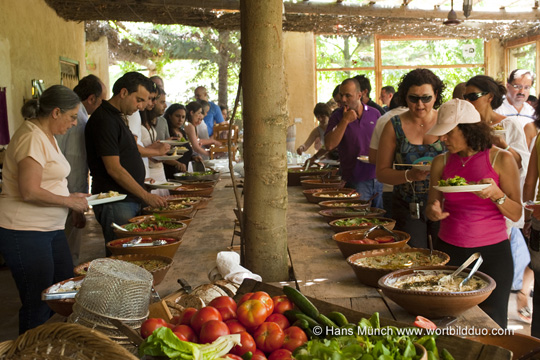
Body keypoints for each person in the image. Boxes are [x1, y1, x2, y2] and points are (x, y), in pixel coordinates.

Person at [0, 85, 89, 333]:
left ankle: (49, 343)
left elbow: (49, 181)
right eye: (72, 117)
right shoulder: (31, 137)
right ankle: (28, 350)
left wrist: (70, 197)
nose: (74, 123)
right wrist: (68, 201)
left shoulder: (46, 134)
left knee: (62, 292)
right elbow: (29, 190)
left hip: (48, 228)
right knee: (38, 301)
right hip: (24, 230)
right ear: (56, 112)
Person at [426, 99, 522, 328]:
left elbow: (517, 213)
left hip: (493, 255)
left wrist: (496, 195)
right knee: (448, 321)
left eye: (448, 133)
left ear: (468, 129)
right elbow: (432, 206)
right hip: (449, 251)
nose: (442, 139)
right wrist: (433, 211)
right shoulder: (441, 162)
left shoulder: (501, 158)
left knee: (493, 323)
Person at [464, 75, 532, 322]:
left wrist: (503, 146)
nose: (468, 101)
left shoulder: (510, 125)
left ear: (489, 97)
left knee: (493, 273)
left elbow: (522, 165)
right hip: (469, 209)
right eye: (465, 97)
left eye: (473, 96)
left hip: (500, 207)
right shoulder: (465, 128)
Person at [85, 72, 167, 247]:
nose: (141, 106)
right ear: (123, 93)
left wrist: (141, 181)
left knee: (133, 252)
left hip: (127, 199)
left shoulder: (118, 116)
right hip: (116, 202)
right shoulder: (104, 120)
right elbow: (113, 168)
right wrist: (145, 194)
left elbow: (125, 156)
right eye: (138, 99)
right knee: (123, 255)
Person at [375, 68, 446, 249]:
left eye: (426, 98)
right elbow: (381, 173)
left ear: (436, 95)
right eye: (413, 98)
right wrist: (409, 175)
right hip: (407, 204)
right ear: (404, 97)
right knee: (414, 258)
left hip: (444, 204)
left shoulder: (447, 123)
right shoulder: (394, 125)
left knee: (446, 257)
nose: (420, 105)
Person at [55, 75, 106, 265]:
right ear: (91, 98)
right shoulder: (79, 119)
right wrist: (76, 203)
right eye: (101, 100)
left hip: (62, 191)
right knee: (67, 254)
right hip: (66, 193)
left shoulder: (74, 115)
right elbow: (75, 164)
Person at [325, 78, 383, 208]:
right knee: (358, 220)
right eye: (341, 95)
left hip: (378, 177)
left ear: (359, 95)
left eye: (348, 95)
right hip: (355, 179)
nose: (343, 99)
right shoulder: (337, 116)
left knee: (378, 220)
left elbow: (384, 141)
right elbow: (329, 145)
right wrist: (345, 121)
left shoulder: (375, 113)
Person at [369, 95, 408, 219]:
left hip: (390, 186)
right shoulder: (427, 119)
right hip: (422, 190)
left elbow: (373, 158)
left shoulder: (384, 118)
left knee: (394, 230)